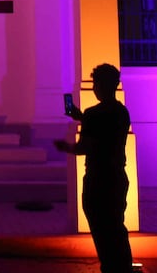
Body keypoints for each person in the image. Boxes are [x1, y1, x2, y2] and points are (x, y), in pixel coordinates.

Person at [54, 63, 133, 273]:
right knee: (116, 226)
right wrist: (83, 118)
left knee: (100, 227)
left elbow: (85, 147)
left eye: (96, 84)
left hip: (98, 178)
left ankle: (110, 267)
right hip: (117, 176)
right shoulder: (122, 112)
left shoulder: (93, 114)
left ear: (99, 85)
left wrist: (65, 147)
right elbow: (105, 132)